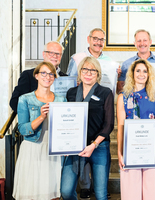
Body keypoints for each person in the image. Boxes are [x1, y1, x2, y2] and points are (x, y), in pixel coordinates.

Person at [66, 27, 116, 198]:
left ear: (98, 74)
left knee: (101, 194)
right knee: (66, 191)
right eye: (85, 70)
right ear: (79, 72)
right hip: (75, 145)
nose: (88, 74)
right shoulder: (71, 93)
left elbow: (109, 124)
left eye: (92, 71)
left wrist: (94, 144)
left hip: (99, 146)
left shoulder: (105, 92)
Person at [13, 62, 66, 200]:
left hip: (53, 150)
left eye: (51, 74)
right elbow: (23, 129)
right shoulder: (25, 99)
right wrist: (41, 117)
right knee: (30, 192)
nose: (47, 77)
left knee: (52, 193)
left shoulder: (61, 100)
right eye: (43, 73)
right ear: (36, 76)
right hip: (32, 149)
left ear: (54, 77)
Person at [117, 59, 155, 200]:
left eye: (145, 71)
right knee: (131, 194)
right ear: (132, 73)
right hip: (130, 151)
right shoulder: (122, 98)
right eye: (138, 70)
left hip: (151, 151)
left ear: (149, 74)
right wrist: (119, 152)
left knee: (151, 194)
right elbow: (120, 126)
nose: (141, 74)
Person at [10, 41, 67, 113]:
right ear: (44, 54)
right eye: (51, 53)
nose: (55, 56)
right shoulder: (28, 75)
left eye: (58, 54)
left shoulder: (67, 79)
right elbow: (15, 102)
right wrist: (35, 114)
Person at [117, 29, 155, 94]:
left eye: (145, 40)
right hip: (133, 101)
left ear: (150, 42)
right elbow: (120, 90)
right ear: (135, 43)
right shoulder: (126, 64)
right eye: (139, 41)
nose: (142, 43)